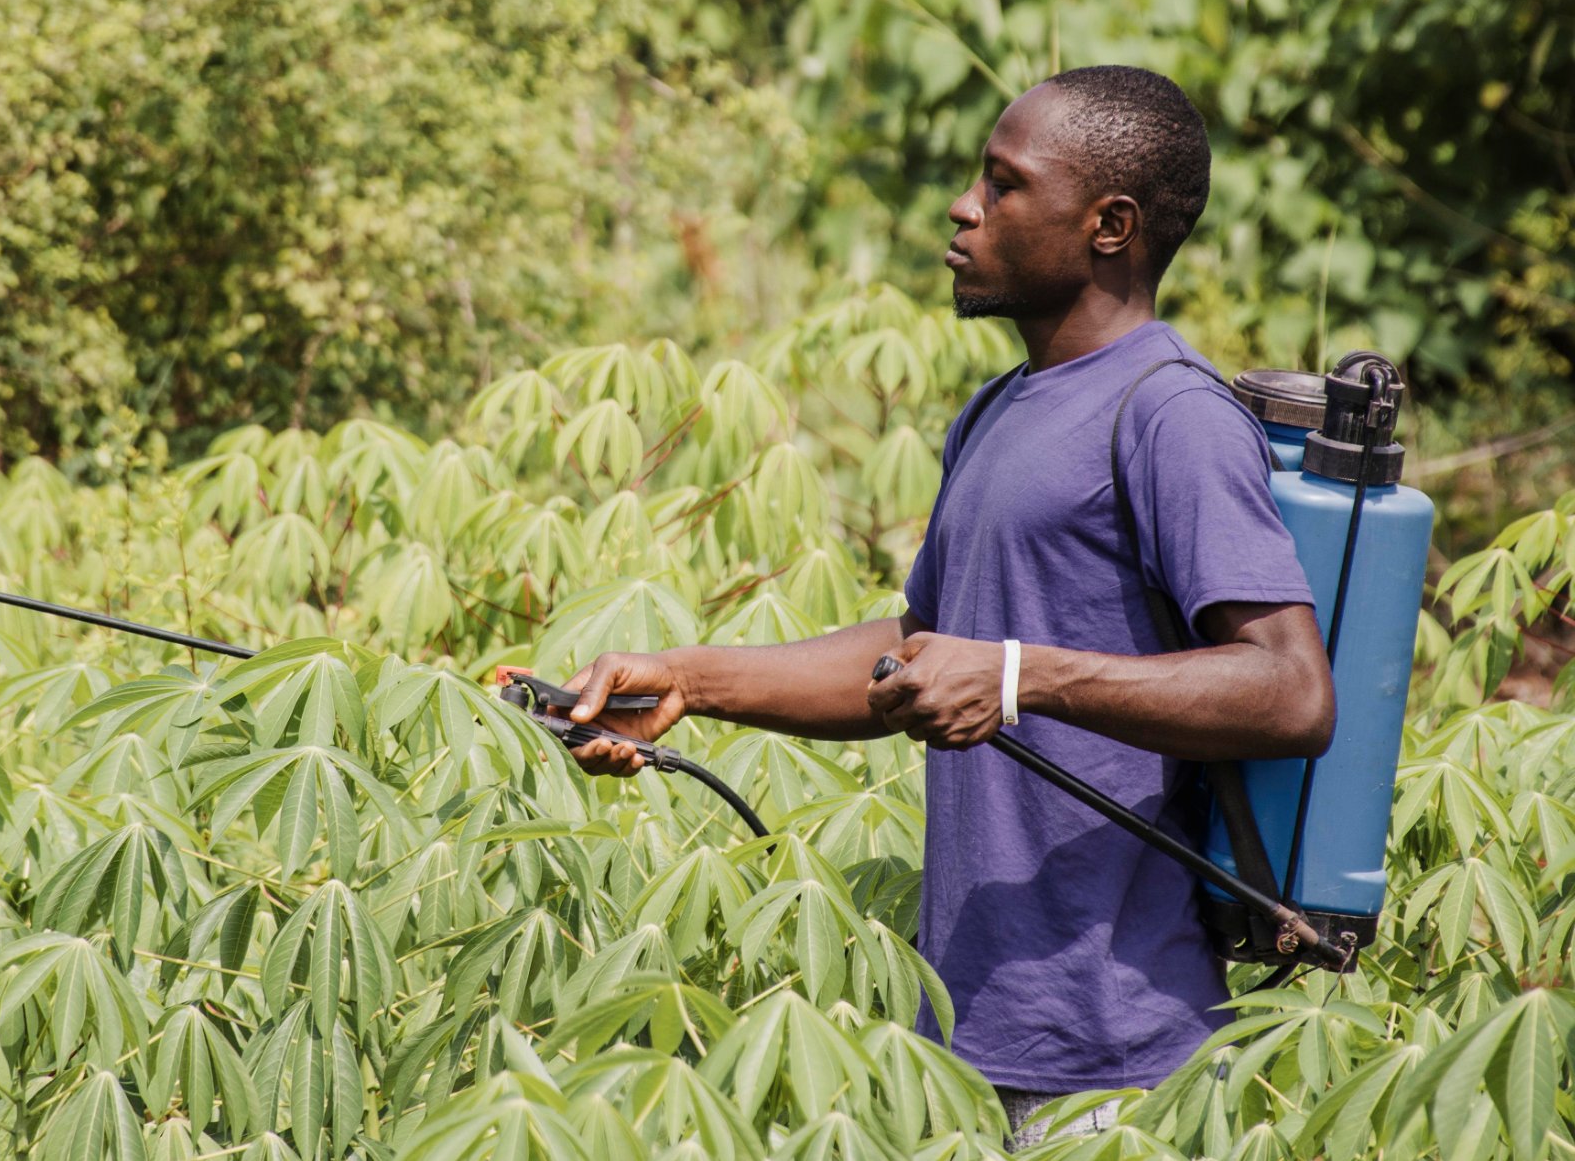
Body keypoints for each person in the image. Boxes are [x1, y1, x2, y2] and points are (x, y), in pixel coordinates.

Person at [560, 66, 1335, 1147]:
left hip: (1115, 1058)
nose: (965, 208)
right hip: (961, 1038)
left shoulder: (1173, 414)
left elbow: (1291, 690)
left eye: (1004, 184)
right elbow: (915, 652)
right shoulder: (997, 408)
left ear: (1110, 225)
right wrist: (687, 680)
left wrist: (1019, 676)